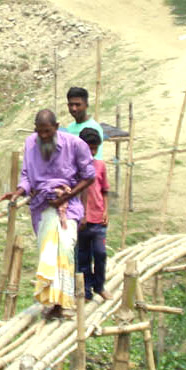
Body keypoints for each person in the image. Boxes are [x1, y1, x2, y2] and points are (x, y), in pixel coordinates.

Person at [0, 110, 96, 320]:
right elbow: (26, 176)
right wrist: (18, 192)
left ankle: (62, 303)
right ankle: (51, 300)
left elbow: (89, 177)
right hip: (42, 207)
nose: (43, 136)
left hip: (67, 206)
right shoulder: (30, 144)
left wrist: (64, 199)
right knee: (47, 254)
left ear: (56, 127)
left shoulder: (75, 145)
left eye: (47, 132)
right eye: (39, 132)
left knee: (65, 248)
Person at [74, 127, 110, 302]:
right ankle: (86, 291)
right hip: (81, 221)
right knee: (83, 257)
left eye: (95, 148)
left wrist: (106, 211)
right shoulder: (74, 168)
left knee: (100, 253)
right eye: (89, 148)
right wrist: (80, 215)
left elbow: (105, 191)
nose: (92, 152)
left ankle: (99, 286)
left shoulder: (100, 166)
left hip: (98, 220)